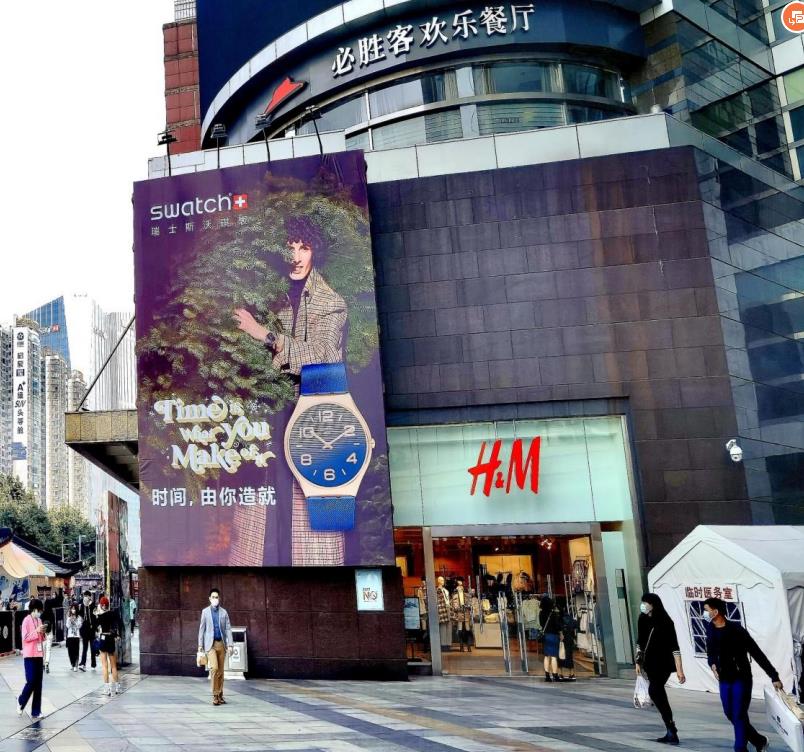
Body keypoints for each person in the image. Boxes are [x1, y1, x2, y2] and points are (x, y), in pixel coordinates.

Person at [233, 217, 348, 567]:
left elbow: (325, 355)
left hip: (314, 422)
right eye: (290, 247)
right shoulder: (265, 295)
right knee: (255, 525)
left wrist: (267, 336)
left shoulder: (331, 302)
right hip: (266, 417)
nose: (296, 256)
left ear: (315, 251)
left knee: (316, 535)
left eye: (304, 247)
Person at [704, 596, 782, 752]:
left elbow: (756, 653)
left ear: (716, 612)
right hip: (724, 679)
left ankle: (740, 748)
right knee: (729, 713)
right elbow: (710, 653)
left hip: (741, 678)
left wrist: (774, 676)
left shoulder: (736, 630)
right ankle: (759, 740)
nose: (704, 613)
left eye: (706, 610)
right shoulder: (710, 630)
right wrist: (712, 665)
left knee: (739, 713)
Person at [636, 593, 686, 745]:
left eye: (646, 602)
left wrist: (679, 669)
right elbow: (640, 642)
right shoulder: (642, 619)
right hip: (649, 663)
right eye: (642, 602)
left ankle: (671, 728)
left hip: (663, 663)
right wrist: (637, 662)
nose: (643, 605)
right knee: (658, 693)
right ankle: (670, 728)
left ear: (653, 604)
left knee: (654, 690)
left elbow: (674, 646)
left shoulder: (665, 621)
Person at [198, 587, 233, 706]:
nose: (215, 599)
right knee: (214, 668)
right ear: (209, 598)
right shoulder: (205, 612)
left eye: (216, 597)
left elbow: (228, 629)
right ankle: (215, 695)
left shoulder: (224, 612)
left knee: (221, 671)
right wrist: (200, 645)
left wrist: (230, 644)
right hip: (210, 645)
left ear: (219, 598)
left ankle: (220, 695)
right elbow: (202, 629)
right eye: (213, 597)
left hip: (221, 644)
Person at [16, 598, 47, 720]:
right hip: (29, 655)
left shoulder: (39, 620)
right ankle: (21, 700)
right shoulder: (26, 620)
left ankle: (36, 711)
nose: (40, 613)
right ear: (34, 609)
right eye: (39, 610)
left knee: (38, 683)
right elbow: (25, 638)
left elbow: (41, 638)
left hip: (39, 654)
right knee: (31, 681)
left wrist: (43, 632)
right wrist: (36, 631)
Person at [96, 596, 120, 696]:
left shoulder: (100, 616)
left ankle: (107, 689)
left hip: (103, 639)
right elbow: (117, 624)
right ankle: (117, 687)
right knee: (113, 666)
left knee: (104, 666)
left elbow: (95, 627)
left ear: (101, 605)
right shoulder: (113, 614)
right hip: (110, 639)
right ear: (108, 604)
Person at [540, 596, 562, 682]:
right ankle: (555, 675)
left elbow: (541, 624)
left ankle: (547, 676)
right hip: (553, 635)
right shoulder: (553, 613)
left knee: (546, 656)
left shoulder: (541, 613)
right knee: (553, 657)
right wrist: (560, 633)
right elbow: (557, 625)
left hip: (546, 635)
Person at [77, 592, 98, 671]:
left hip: (92, 629)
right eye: (84, 596)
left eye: (87, 596)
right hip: (84, 630)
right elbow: (79, 615)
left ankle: (93, 664)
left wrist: (96, 629)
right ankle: (83, 663)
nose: (85, 597)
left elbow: (95, 617)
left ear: (90, 597)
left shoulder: (93, 606)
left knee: (92, 648)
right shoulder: (82, 605)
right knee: (84, 648)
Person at [559, 604, 578, 682]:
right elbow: (576, 625)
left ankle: (560, 674)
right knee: (569, 656)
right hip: (569, 639)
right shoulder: (570, 618)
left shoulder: (559, 618)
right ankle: (572, 673)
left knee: (560, 656)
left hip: (561, 639)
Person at [65, 604, 82, 672]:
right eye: (72, 609)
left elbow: (79, 626)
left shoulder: (79, 617)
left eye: (74, 609)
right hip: (70, 636)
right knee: (70, 651)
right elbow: (67, 626)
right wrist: (70, 620)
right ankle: (72, 664)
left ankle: (76, 665)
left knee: (76, 651)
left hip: (76, 636)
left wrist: (74, 621)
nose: (73, 610)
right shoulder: (69, 617)